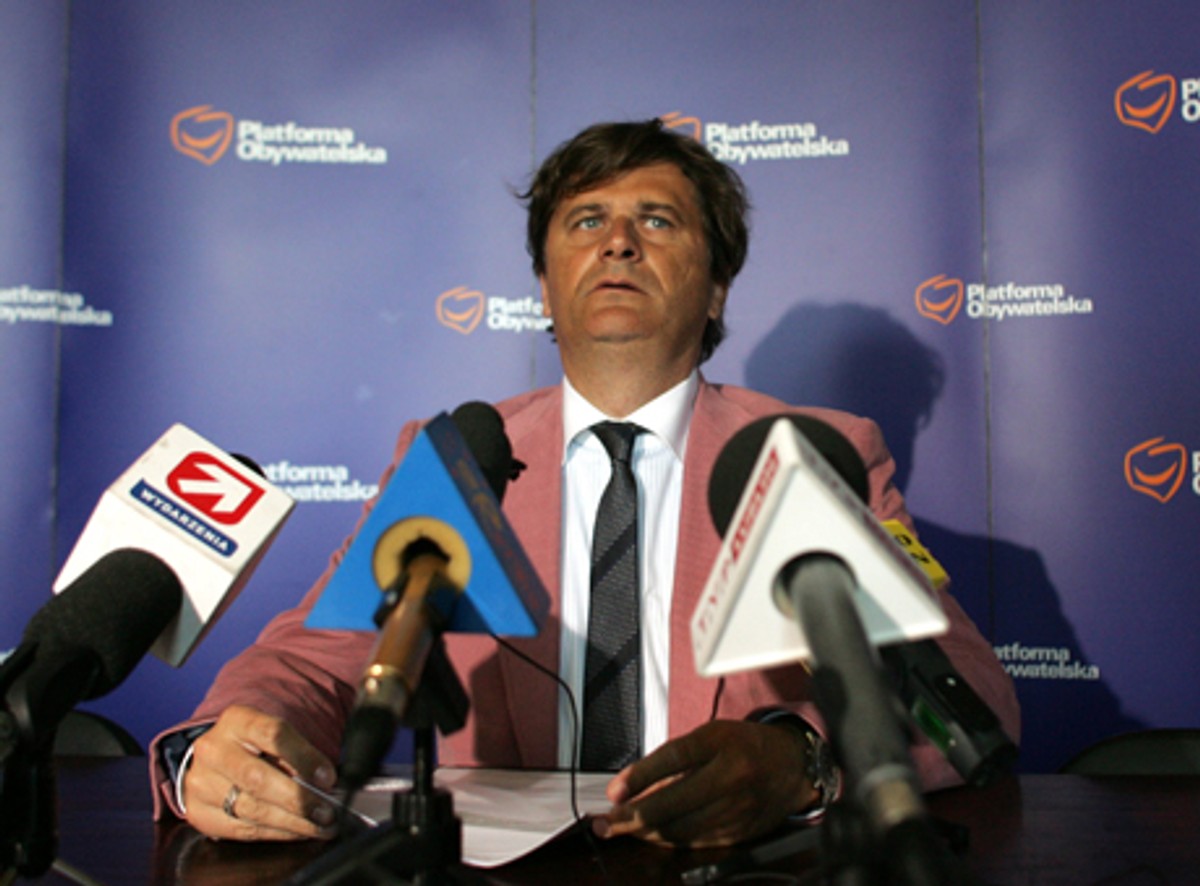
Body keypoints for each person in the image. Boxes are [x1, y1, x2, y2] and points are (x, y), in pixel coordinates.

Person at [149, 119, 1020, 847]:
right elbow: (316, 662)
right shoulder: (460, 457)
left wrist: (801, 763)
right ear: (544, 287)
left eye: (658, 221)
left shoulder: (809, 455)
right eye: (586, 220)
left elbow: (966, 694)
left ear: (718, 287)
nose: (618, 241)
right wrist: (217, 751)